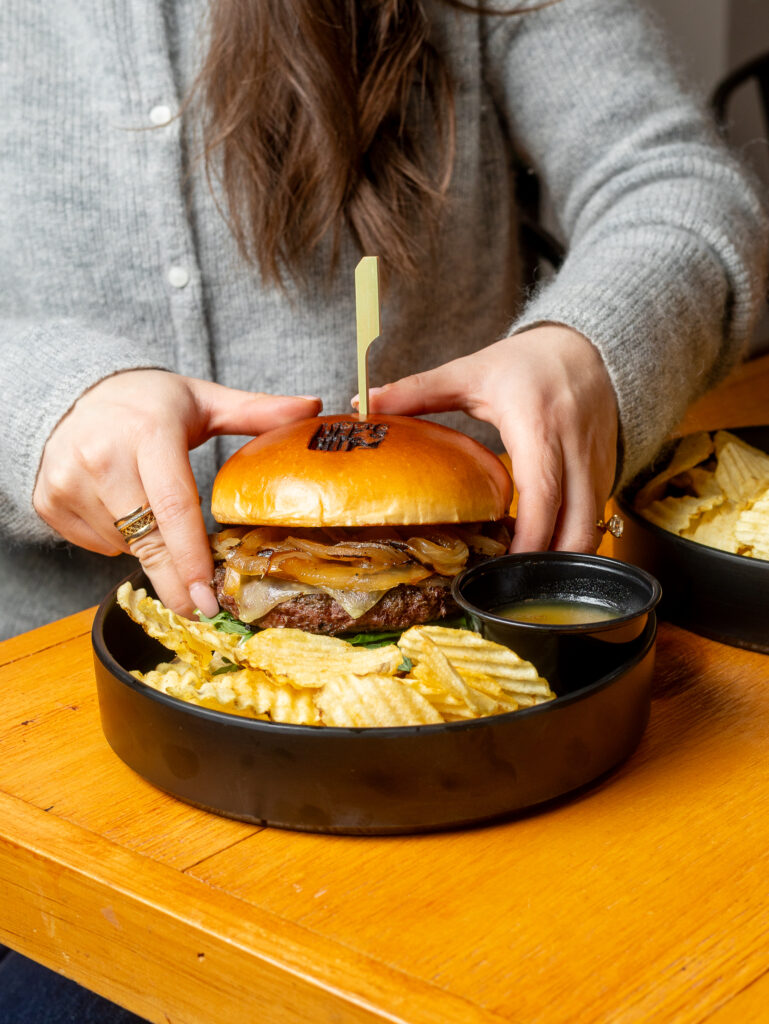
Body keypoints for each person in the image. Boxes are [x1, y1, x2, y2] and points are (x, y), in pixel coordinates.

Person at [1, 0, 767, 1018]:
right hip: (58, 762)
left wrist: (590, 344)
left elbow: (675, 179)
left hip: (483, 748)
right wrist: (37, 401)